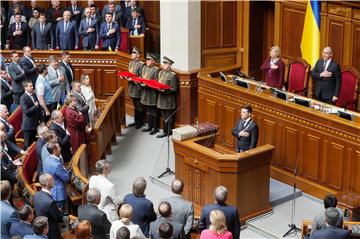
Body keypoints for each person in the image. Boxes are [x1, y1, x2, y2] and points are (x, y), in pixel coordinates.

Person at [33, 173, 64, 239]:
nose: (54, 181)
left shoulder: (36, 194)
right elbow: (59, 219)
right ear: (47, 184)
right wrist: (60, 211)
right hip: (51, 232)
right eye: (52, 180)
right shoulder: (50, 202)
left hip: (40, 226)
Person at [42, 142, 70, 210]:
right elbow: (66, 178)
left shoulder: (47, 158)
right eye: (59, 148)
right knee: (60, 212)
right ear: (54, 150)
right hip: (58, 194)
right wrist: (68, 171)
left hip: (51, 190)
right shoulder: (57, 165)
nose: (60, 149)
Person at [156, 57, 178, 138]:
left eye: (165, 63)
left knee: (169, 117)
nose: (164, 65)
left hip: (168, 99)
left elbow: (174, 89)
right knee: (163, 116)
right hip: (161, 98)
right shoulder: (161, 73)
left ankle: (169, 132)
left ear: (169, 65)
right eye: (163, 63)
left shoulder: (173, 76)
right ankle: (165, 131)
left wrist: (164, 90)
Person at [140, 53, 160, 135]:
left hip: (152, 93)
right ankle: (149, 126)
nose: (147, 61)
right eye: (147, 59)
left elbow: (156, 82)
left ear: (153, 61)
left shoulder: (156, 70)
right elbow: (142, 77)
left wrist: (147, 84)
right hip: (145, 92)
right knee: (148, 110)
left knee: (154, 111)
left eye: (149, 60)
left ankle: (155, 128)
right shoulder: (144, 68)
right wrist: (141, 83)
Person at [125, 47, 144, 128]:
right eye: (132, 52)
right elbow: (129, 73)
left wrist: (132, 79)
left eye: (134, 52)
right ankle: (136, 121)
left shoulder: (141, 64)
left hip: (137, 87)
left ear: (138, 55)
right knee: (135, 106)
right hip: (131, 87)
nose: (132, 54)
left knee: (139, 106)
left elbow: (141, 77)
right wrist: (125, 77)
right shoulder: (131, 63)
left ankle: (140, 122)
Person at [20, 80, 42, 149]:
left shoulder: (34, 94)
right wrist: (34, 106)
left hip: (35, 123)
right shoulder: (23, 98)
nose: (32, 87)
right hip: (28, 126)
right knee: (27, 145)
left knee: (35, 142)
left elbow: (39, 108)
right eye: (30, 86)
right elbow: (26, 111)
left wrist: (41, 120)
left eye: (32, 85)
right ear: (25, 87)